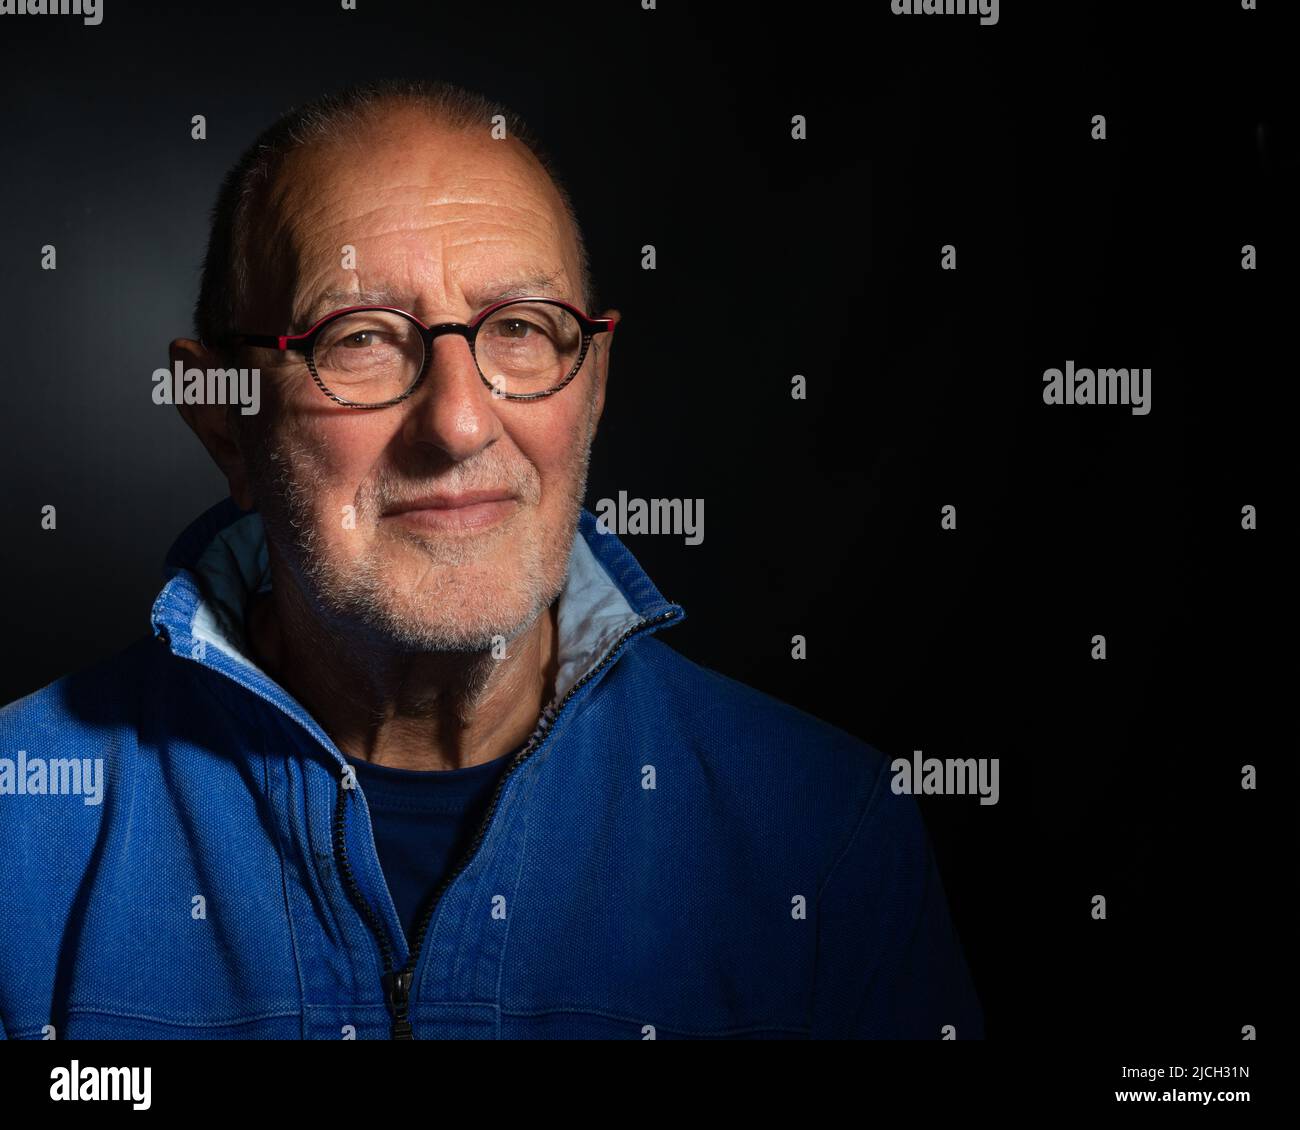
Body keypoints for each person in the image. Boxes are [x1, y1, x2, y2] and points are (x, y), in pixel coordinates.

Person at [0, 79, 982, 1040]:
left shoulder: (828, 833)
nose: (461, 422)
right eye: (362, 338)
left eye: (518, 327)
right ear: (225, 420)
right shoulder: (18, 832)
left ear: (591, 387)